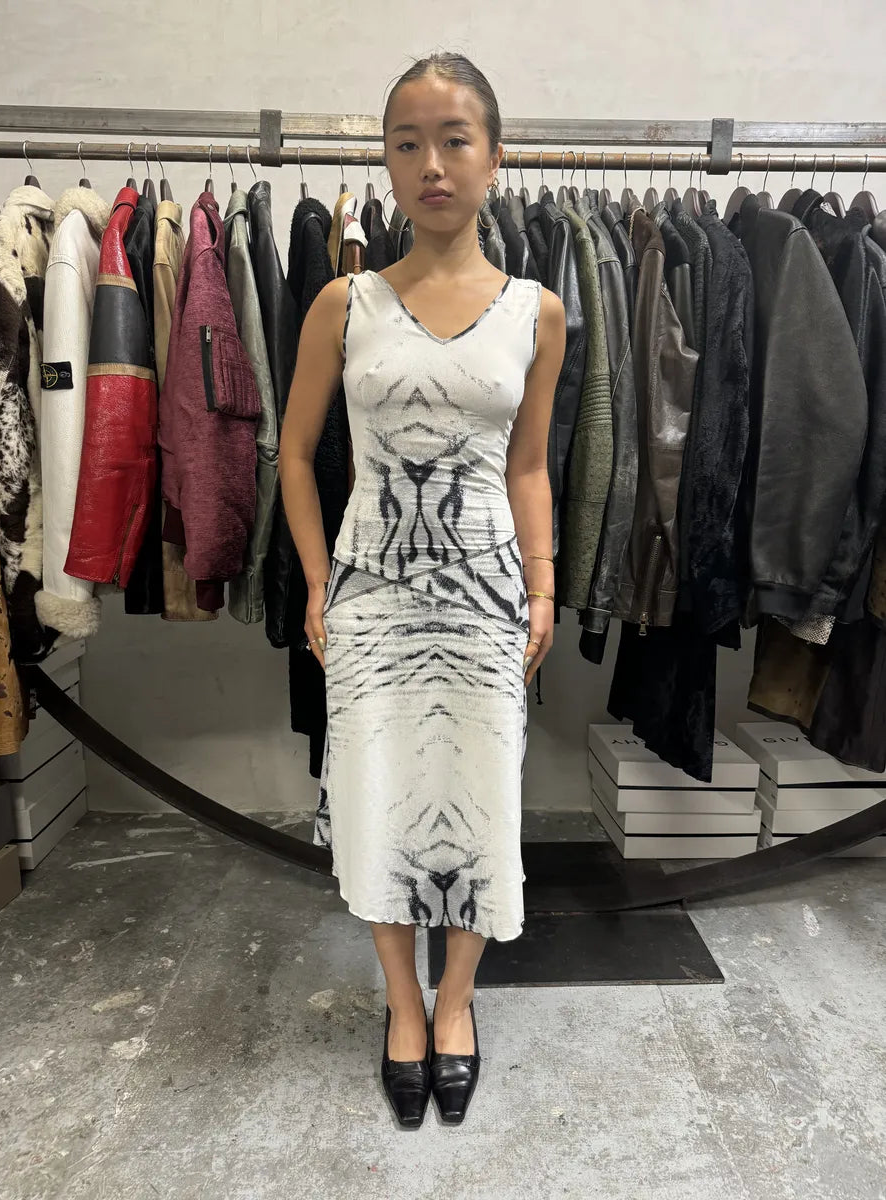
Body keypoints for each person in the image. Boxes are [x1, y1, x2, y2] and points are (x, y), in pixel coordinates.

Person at [278, 51, 565, 1126]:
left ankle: (457, 1001)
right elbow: (293, 454)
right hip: (373, 592)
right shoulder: (344, 303)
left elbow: (529, 466)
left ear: (494, 157)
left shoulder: (537, 312)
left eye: (454, 140)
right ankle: (403, 1003)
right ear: (388, 164)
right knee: (377, 795)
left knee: (483, 800)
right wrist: (320, 581)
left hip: (488, 593)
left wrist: (542, 589)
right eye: (408, 144)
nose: (432, 165)